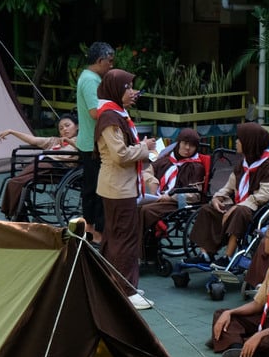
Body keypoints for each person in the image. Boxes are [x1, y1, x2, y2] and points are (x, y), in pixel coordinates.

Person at [94, 68, 157, 310]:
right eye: (128, 88)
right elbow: (120, 155)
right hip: (118, 187)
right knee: (125, 239)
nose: (133, 92)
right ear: (115, 90)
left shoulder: (117, 113)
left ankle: (115, 282)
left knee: (114, 237)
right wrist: (144, 147)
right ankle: (126, 290)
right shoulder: (110, 118)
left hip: (118, 185)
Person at [208, 216, 269, 357]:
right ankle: (237, 347)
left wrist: (260, 334)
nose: (263, 241)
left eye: (266, 238)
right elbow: (258, 303)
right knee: (221, 313)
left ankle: (232, 340)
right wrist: (230, 313)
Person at [190, 122, 269, 264]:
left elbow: (265, 195)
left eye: (240, 139)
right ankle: (205, 253)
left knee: (239, 212)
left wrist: (236, 207)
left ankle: (228, 256)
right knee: (207, 209)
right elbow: (229, 186)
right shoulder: (243, 163)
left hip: (256, 209)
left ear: (250, 143)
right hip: (238, 204)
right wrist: (217, 198)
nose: (236, 142)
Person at [0, 113, 79, 219]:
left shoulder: (81, 140)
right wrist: (12, 132)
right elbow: (33, 140)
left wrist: (69, 141)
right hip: (43, 165)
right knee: (15, 182)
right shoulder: (56, 141)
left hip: (57, 168)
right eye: (61, 128)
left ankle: (13, 212)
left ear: (77, 126)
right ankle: (18, 212)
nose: (64, 129)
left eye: (67, 125)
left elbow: (85, 150)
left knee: (15, 182)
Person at [76, 42, 115, 235]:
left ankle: (93, 227)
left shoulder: (88, 77)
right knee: (96, 188)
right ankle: (93, 229)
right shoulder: (91, 80)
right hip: (92, 143)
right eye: (110, 61)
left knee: (95, 186)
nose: (111, 65)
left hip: (91, 141)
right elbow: (94, 112)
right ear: (100, 61)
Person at [141, 128, 206, 229]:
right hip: (159, 198)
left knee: (146, 210)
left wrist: (171, 197)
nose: (188, 148)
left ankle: (148, 240)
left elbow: (195, 195)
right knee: (135, 206)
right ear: (179, 143)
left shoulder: (196, 167)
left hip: (176, 202)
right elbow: (146, 172)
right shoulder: (167, 159)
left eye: (192, 145)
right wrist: (153, 181)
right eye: (185, 143)